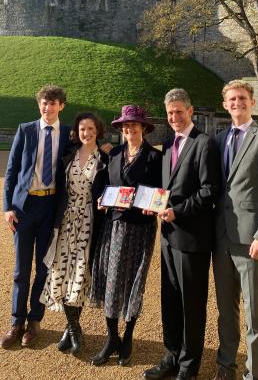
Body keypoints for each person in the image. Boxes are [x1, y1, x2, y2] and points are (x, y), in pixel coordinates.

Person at [212, 80, 258, 380]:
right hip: (222, 240)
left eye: (242, 98)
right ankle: (225, 366)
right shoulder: (218, 140)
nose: (236, 103)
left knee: (255, 315)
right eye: (231, 99)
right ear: (225, 104)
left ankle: (255, 375)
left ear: (252, 102)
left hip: (252, 242)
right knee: (225, 313)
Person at [144, 89, 218, 380]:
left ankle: (189, 366)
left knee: (192, 305)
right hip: (168, 236)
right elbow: (166, 191)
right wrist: (154, 205)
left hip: (192, 238)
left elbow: (209, 191)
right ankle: (171, 355)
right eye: (170, 112)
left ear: (191, 111)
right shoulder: (167, 144)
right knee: (170, 300)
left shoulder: (205, 144)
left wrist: (178, 211)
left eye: (179, 111)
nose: (174, 117)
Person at [89, 105, 162, 367]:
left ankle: (128, 335)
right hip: (114, 225)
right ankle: (112, 337)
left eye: (134, 125)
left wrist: (153, 205)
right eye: (125, 126)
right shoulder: (115, 153)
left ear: (143, 128)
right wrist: (102, 199)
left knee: (133, 281)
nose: (129, 129)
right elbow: (108, 186)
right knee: (110, 279)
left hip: (140, 228)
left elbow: (160, 193)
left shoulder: (155, 157)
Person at [0, 85, 71, 349]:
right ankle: (16, 322)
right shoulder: (26, 130)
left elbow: (87, 151)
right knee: (21, 270)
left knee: (43, 268)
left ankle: (34, 321)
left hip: (50, 207)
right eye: (43, 103)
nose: (47, 108)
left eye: (53, 103)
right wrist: (8, 206)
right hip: (24, 208)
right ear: (38, 105)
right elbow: (11, 171)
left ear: (61, 106)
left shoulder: (67, 134)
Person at [40, 112, 109, 354]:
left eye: (91, 129)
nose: (86, 133)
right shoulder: (68, 154)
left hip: (89, 221)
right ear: (76, 132)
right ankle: (73, 327)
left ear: (98, 131)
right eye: (82, 129)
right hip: (67, 219)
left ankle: (72, 329)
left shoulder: (105, 159)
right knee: (62, 270)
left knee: (79, 273)